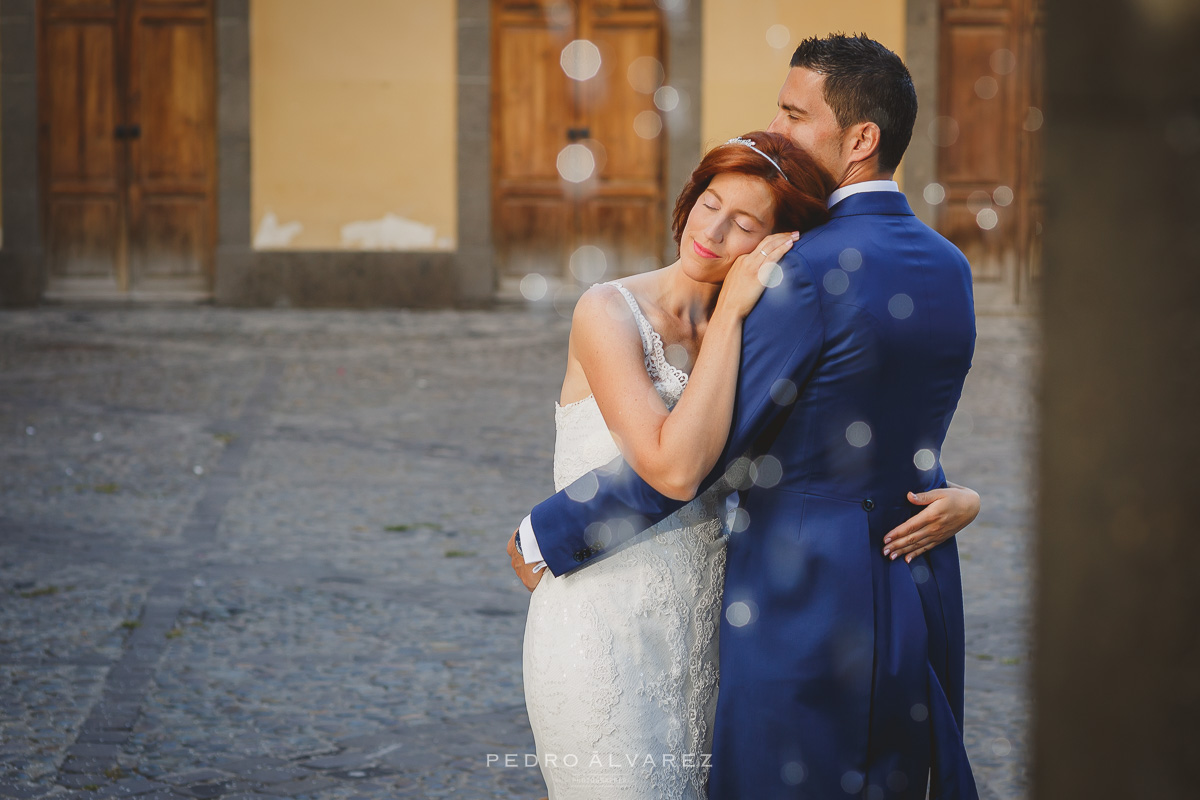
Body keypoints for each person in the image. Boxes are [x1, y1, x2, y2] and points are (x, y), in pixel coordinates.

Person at [510, 35, 980, 799]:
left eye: (795, 114)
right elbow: (877, 416)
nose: (776, 130)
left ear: (861, 139)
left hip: (802, 598)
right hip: (913, 584)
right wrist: (960, 492)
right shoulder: (950, 267)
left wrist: (547, 534)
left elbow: (704, 451)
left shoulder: (807, 266)